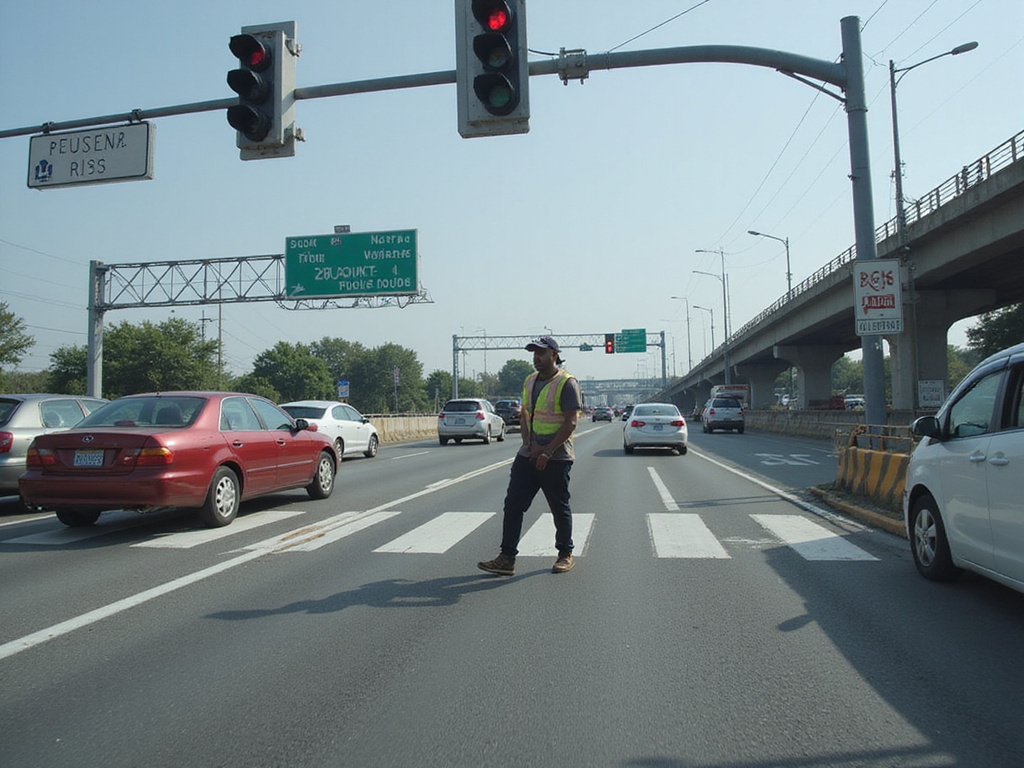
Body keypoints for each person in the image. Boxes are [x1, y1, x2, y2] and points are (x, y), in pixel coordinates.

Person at [477, 336, 582, 576]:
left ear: (554, 355)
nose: (536, 358)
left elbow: (570, 423)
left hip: (557, 457)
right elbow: (525, 416)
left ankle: (565, 554)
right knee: (513, 504)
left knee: (559, 506)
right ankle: (507, 558)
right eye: (534, 353)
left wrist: (546, 451)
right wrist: (529, 445)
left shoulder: (567, 383)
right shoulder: (529, 381)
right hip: (529, 454)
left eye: (541, 353)